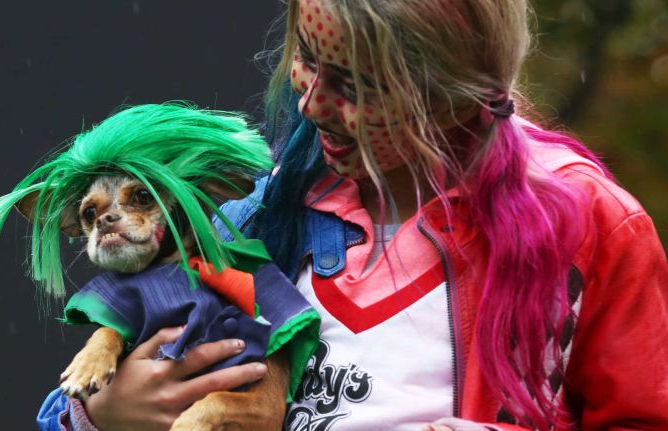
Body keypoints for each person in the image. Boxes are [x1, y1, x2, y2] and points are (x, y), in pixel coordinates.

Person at [38, 0, 668, 430]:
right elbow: (66, 407)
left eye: (356, 87)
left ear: (449, 93)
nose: (309, 101)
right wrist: (105, 415)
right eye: (307, 58)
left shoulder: (588, 225)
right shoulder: (264, 214)